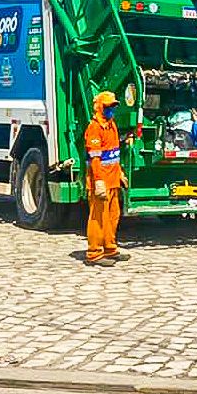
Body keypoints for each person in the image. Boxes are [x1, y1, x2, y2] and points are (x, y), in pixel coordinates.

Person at [84, 91, 129, 267]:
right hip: (101, 181)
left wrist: (120, 174)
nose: (112, 109)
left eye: (113, 106)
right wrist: (98, 181)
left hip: (112, 179)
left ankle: (110, 248)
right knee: (98, 218)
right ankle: (94, 253)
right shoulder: (94, 128)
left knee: (113, 216)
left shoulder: (111, 125)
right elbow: (94, 157)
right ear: (100, 107)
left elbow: (114, 154)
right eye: (109, 106)